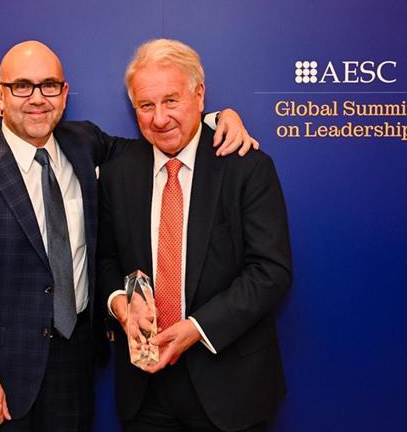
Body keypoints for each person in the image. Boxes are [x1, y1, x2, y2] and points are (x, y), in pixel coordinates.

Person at [0, 40, 257, 432]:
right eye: (22, 86)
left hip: (75, 363)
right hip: (1, 374)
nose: (37, 98)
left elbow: (162, 136)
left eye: (49, 85)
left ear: (64, 93)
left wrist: (217, 119)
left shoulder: (84, 143)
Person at [99, 39, 292, 432]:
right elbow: (105, 259)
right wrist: (121, 304)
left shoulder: (246, 167)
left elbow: (270, 271)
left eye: (171, 100)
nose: (159, 118)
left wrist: (196, 329)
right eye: (146, 106)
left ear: (199, 95)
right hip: (144, 391)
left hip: (231, 387)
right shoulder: (118, 172)